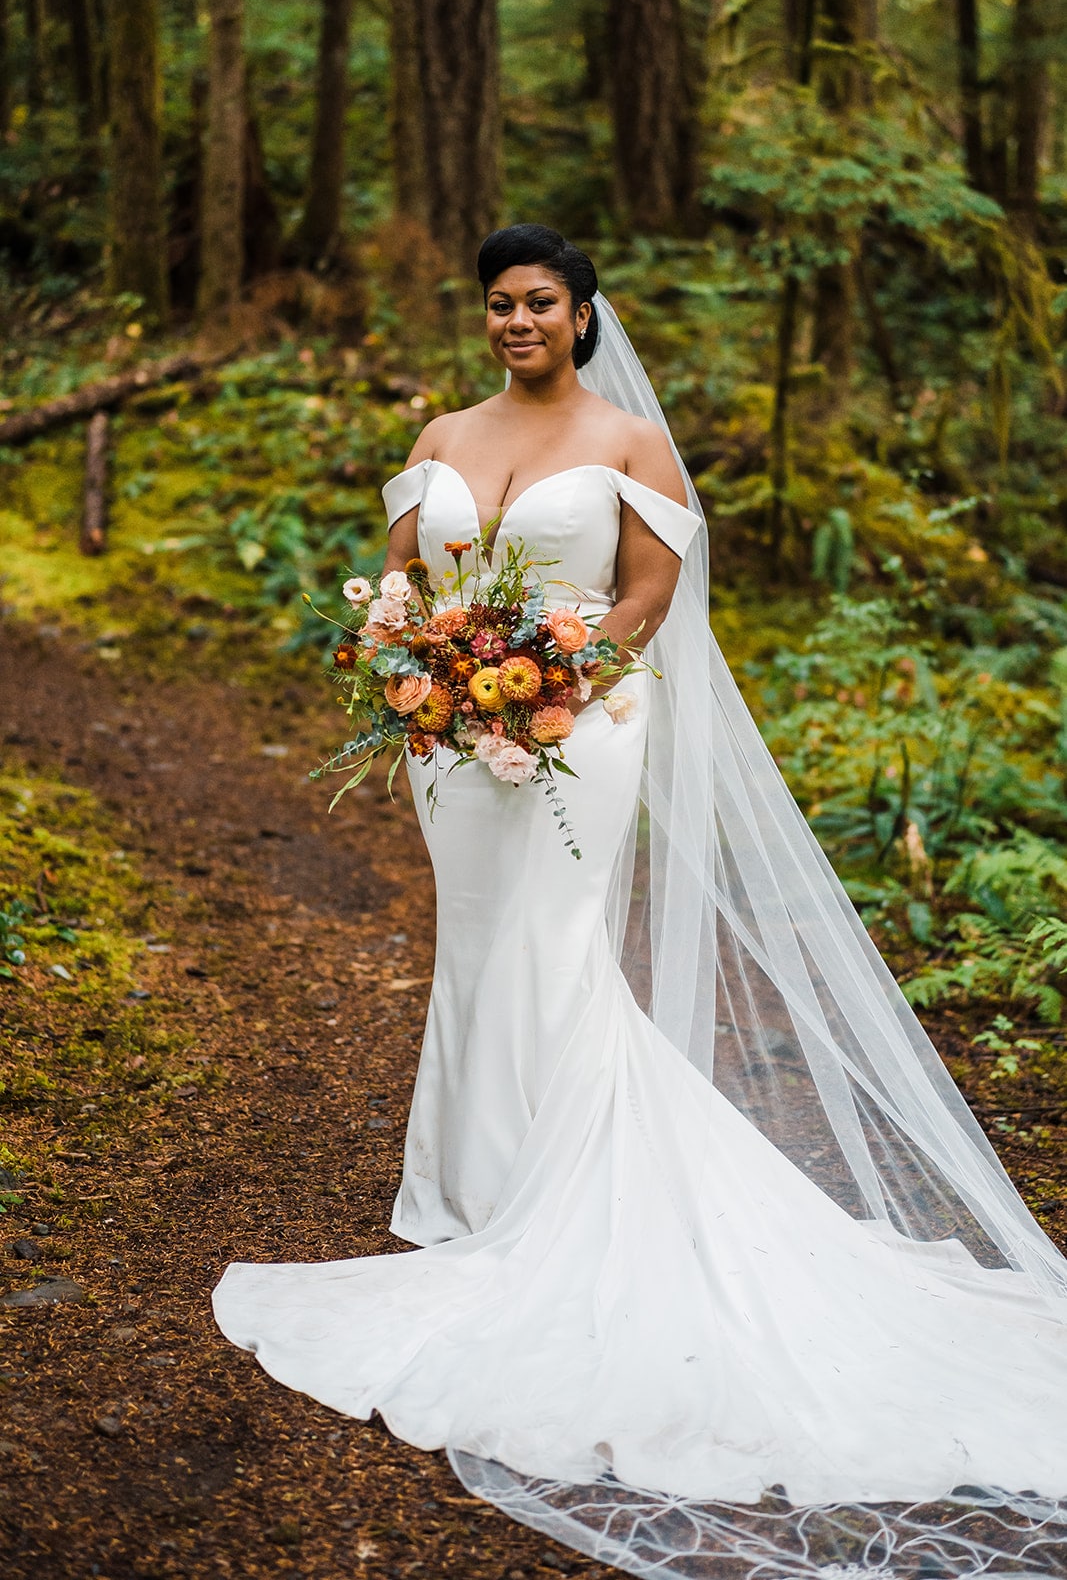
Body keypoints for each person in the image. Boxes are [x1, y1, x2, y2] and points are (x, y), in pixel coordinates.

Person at [214, 224, 1067, 1579]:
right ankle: (465, 1193)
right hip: (449, 740)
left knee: (554, 944)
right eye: (498, 303)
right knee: (478, 950)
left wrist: (551, 672)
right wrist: (423, 667)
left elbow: (653, 594)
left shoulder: (625, 443)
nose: (516, 321)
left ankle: (548, 1205)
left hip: (579, 726)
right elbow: (400, 585)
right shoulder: (443, 425)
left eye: (539, 301)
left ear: (584, 313)